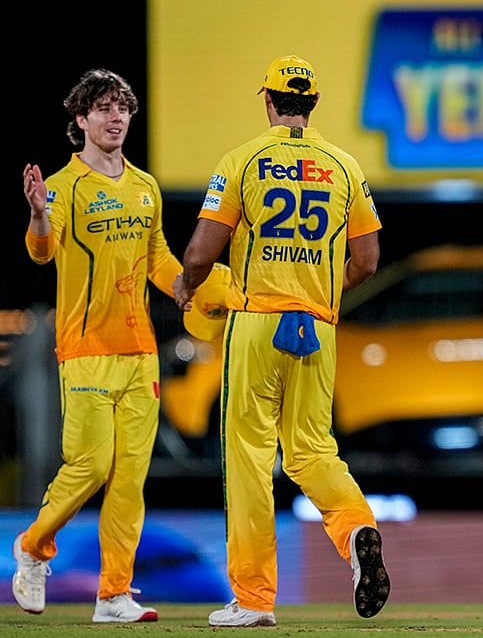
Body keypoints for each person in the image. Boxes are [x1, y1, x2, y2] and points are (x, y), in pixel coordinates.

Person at [172, 54, 389, 628]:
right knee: (312, 452)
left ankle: (253, 599)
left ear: (268, 100)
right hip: (317, 324)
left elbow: (199, 253)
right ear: (312, 104)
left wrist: (186, 285)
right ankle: (357, 527)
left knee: (248, 458)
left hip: (257, 322)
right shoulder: (343, 166)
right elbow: (366, 261)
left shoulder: (242, 161)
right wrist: (318, 286)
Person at [14, 68, 179, 623]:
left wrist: (190, 286)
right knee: (89, 466)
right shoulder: (62, 186)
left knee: (129, 478)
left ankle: (113, 596)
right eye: (104, 108)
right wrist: (38, 213)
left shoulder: (146, 186)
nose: (116, 118)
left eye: (123, 108)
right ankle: (32, 549)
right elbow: (42, 253)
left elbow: (158, 258)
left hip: (141, 353)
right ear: (80, 119)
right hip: (85, 350)